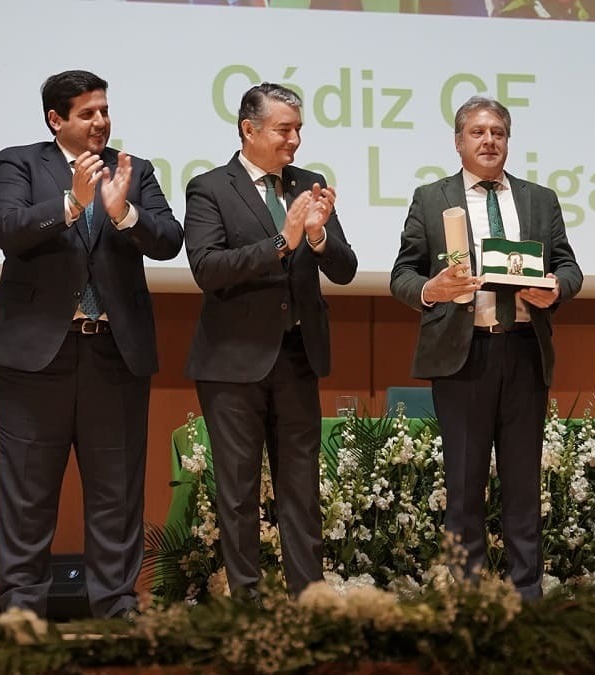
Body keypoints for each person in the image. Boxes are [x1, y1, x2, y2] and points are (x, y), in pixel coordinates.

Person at [0, 69, 184, 620]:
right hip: (35, 358)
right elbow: (5, 227)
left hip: (113, 355)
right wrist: (72, 203)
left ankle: (116, 608)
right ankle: (20, 612)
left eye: (105, 110)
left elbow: (170, 240)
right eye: (87, 113)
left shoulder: (134, 170)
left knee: (116, 493)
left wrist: (124, 212)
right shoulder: (20, 163)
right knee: (25, 493)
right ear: (56, 120)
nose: (101, 121)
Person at [390, 96, 582, 601]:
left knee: (523, 488)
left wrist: (556, 288)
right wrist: (432, 289)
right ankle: (469, 600)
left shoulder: (540, 200)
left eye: (497, 132)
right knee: (464, 488)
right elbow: (402, 275)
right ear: (458, 142)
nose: (489, 140)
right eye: (477, 132)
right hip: (463, 356)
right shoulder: (431, 199)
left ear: (508, 141)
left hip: (524, 352)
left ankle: (526, 598)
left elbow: (568, 267)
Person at [183, 83, 357, 600]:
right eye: (284, 129)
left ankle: (309, 598)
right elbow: (208, 268)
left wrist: (319, 236)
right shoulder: (210, 188)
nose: (294, 140)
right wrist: (283, 241)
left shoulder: (309, 184)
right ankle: (247, 602)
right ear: (249, 129)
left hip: (298, 357)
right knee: (238, 493)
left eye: (298, 129)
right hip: (232, 364)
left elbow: (345, 269)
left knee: (300, 490)